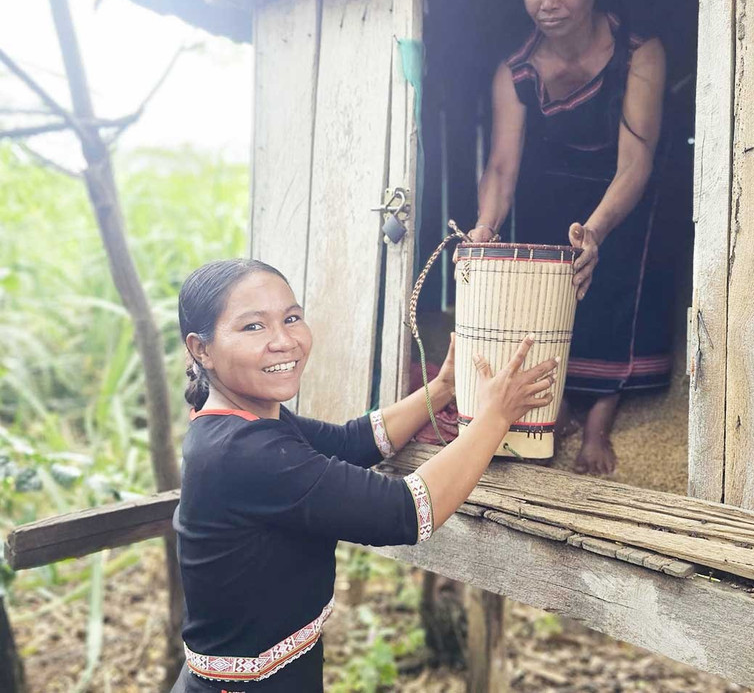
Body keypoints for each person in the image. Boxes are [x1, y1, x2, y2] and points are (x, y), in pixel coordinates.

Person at [170, 258, 558, 692]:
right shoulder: (242, 451)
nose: (284, 341)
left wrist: (444, 387)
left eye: (292, 318)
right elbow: (405, 511)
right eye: (253, 327)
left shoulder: (245, 423)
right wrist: (495, 417)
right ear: (201, 349)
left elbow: (350, 442)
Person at [469, 0, 671, 475]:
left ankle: (600, 423)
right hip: (548, 188)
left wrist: (597, 231)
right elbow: (503, 163)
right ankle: (549, 409)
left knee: (614, 293)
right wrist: (487, 224)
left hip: (620, 194)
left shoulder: (637, 53)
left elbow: (637, 161)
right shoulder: (517, 70)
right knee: (545, 301)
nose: (548, 3)